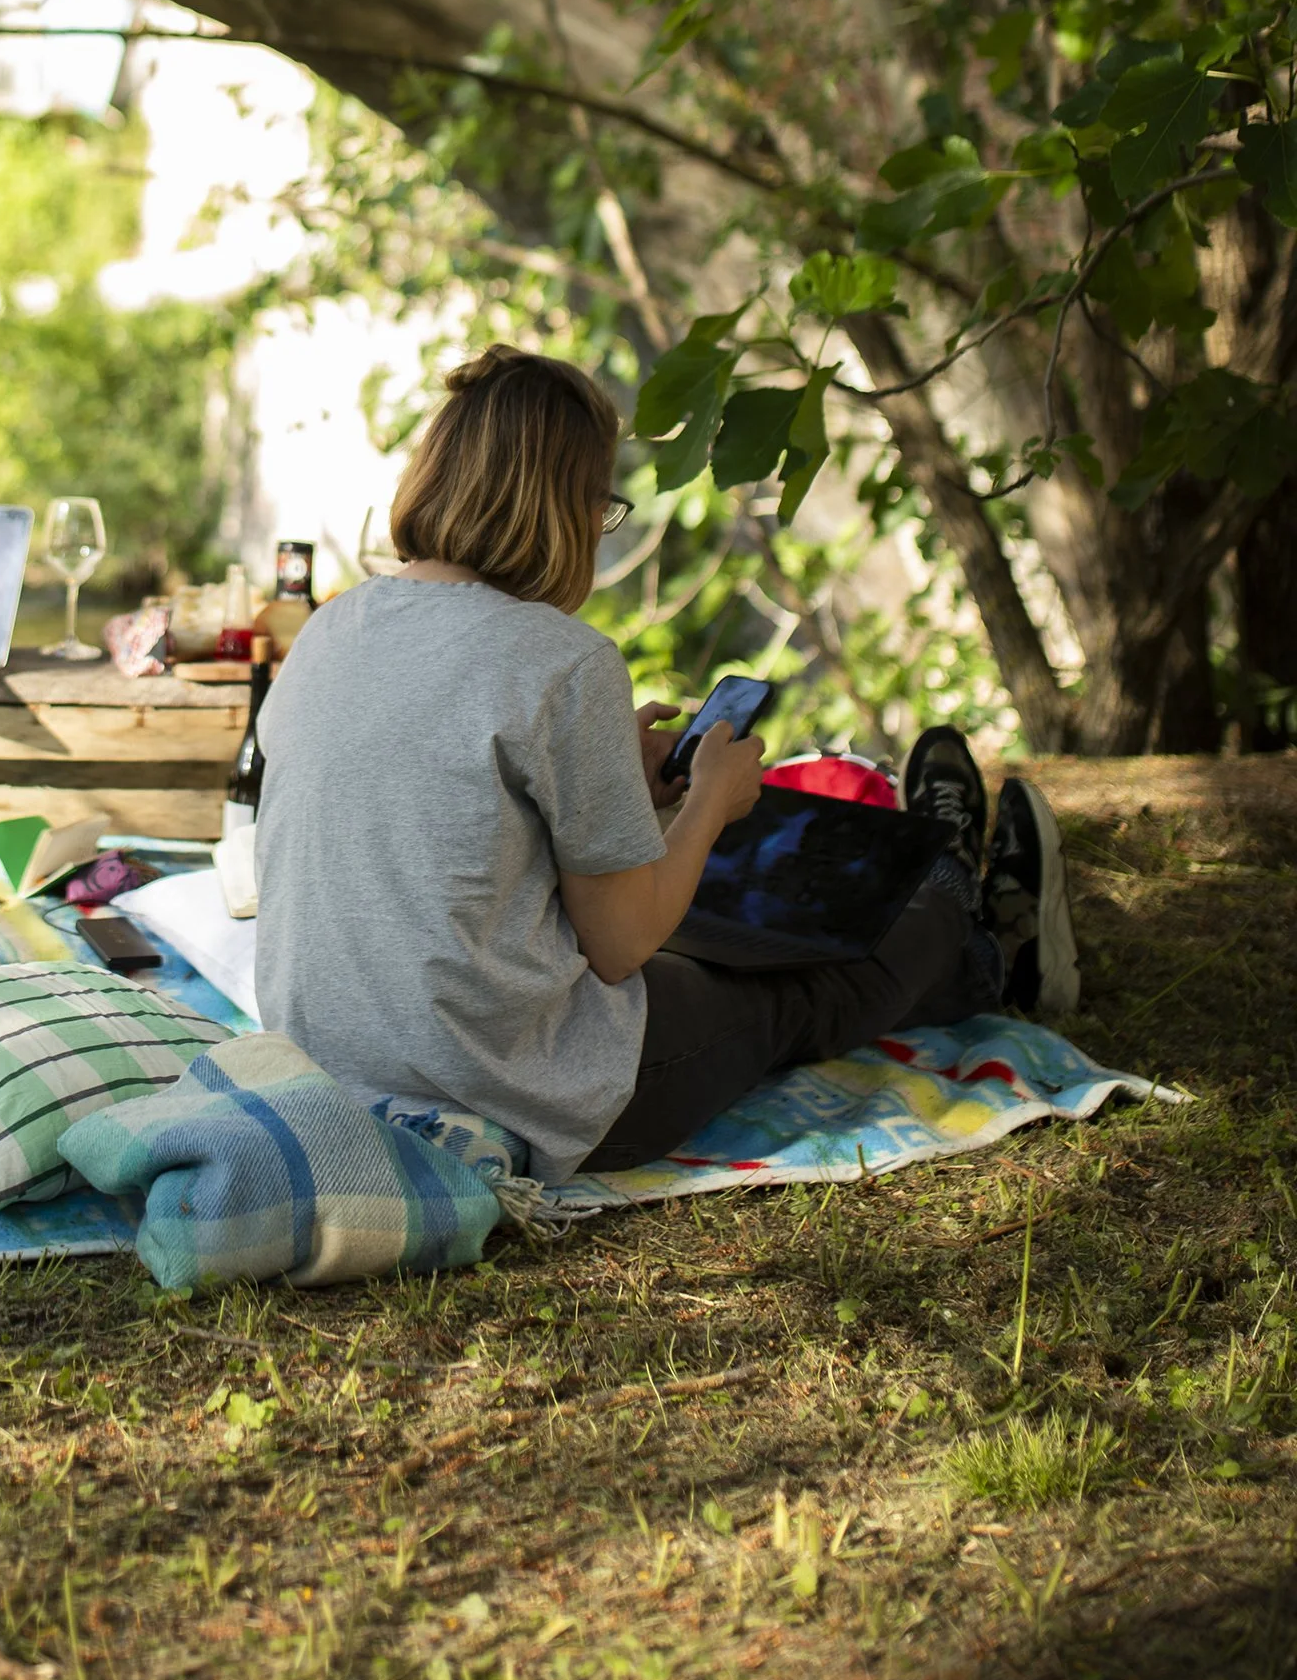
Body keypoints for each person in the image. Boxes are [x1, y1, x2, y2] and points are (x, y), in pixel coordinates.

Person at [253, 346, 1064, 1178]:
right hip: (514, 1089)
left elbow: (434, 829)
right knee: (790, 988)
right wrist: (709, 802)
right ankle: (964, 907)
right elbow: (620, 947)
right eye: (601, 502)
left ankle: (972, 936)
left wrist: (614, 783)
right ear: (566, 502)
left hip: (328, 1061)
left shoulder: (329, 628)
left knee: (710, 954)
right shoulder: (560, 661)